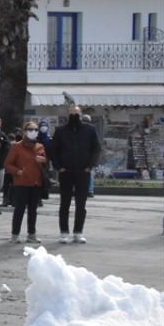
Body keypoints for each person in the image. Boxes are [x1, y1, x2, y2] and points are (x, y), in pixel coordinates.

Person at [50, 104, 102, 244]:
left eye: (76, 113)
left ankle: (78, 232)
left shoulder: (89, 130)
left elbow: (96, 148)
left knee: (81, 204)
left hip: (83, 171)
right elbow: (53, 150)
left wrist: (91, 166)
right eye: (71, 113)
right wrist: (58, 166)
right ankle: (64, 232)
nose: (74, 116)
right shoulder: (60, 131)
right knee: (64, 203)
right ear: (68, 115)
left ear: (81, 114)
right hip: (65, 171)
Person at [4, 122, 48, 243]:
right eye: (30, 129)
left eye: (35, 129)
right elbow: (7, 164)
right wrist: (18, 172)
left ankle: (31, 234)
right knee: (19, 209)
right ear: (24, 131)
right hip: (21, 183)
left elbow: (45, 162)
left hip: (35, 183)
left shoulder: (40, 146)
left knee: (33, 210)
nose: (33, 131)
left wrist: (43, 160)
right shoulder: (16, 146)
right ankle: (15, 235)